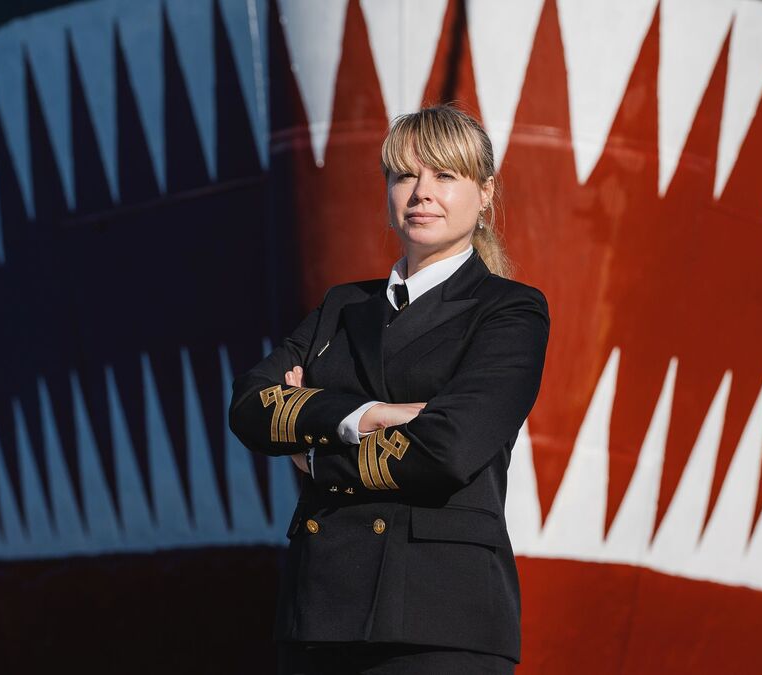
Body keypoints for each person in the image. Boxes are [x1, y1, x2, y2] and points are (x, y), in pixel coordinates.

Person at [228, 104, 550, 675]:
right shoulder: (342, 306)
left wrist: (311, 448)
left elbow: (448, 449)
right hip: (318, 613)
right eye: (406, 175)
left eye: (445, 176)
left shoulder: (511, 312)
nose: (421, 192)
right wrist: (369, 415)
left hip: (439, 617)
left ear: (485, 194)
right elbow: (251, 405)